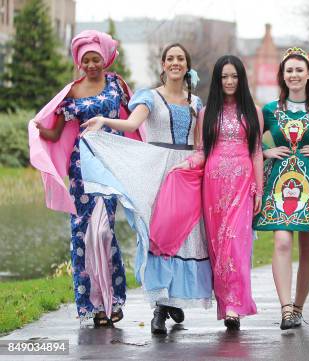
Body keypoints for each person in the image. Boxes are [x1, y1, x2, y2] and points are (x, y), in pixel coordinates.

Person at [80, 43, 213, 334]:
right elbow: (131, 124)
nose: (175, 63)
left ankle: (173, 300)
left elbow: (201, 142)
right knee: (159, 234)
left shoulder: (196, 103)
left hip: (187, 171)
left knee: (186, 236)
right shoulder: (149, 97)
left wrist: (197, 163)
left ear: (186, 64)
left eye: (180, 58)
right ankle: (159, 307)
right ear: (163, 65)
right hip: (156, 168)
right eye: (170, 59)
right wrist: (103, 121)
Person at [30, 30, 141, 327]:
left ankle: (112, 299)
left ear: (105, 58)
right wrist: (37, 126)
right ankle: (93, 306)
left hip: (111, 163)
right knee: (83, 234)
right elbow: (54, 131)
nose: (92, 65)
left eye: (96, 59)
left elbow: (134, 118)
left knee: (104, 231)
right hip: (81, 167)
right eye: (86, 60)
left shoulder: (117, 84)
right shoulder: (73, 92)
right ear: (80, 63)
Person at [253, 47, 309, 329]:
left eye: (299, 69)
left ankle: (299, 307)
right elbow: (248, 140)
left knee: (308, 249)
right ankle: (286, 309)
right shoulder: (270, 110)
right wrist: (265, 152)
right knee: (281, 241)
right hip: (278, 184)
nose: (294, 75)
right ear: (283, 75)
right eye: (289, 70)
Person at [176, 55, 263, 330]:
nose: (229, 81)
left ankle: (236, 306)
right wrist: (184, 165)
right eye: (224, 77)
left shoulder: (253, 112)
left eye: (234, 76)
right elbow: (201, 151)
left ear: (241, 79)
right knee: (218, 247)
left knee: (236, 243)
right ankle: (226, 307)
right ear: (217, 80)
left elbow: (257, 151)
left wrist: (258, 188)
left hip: (242, 183)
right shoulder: (206, 113)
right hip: (213, 186)